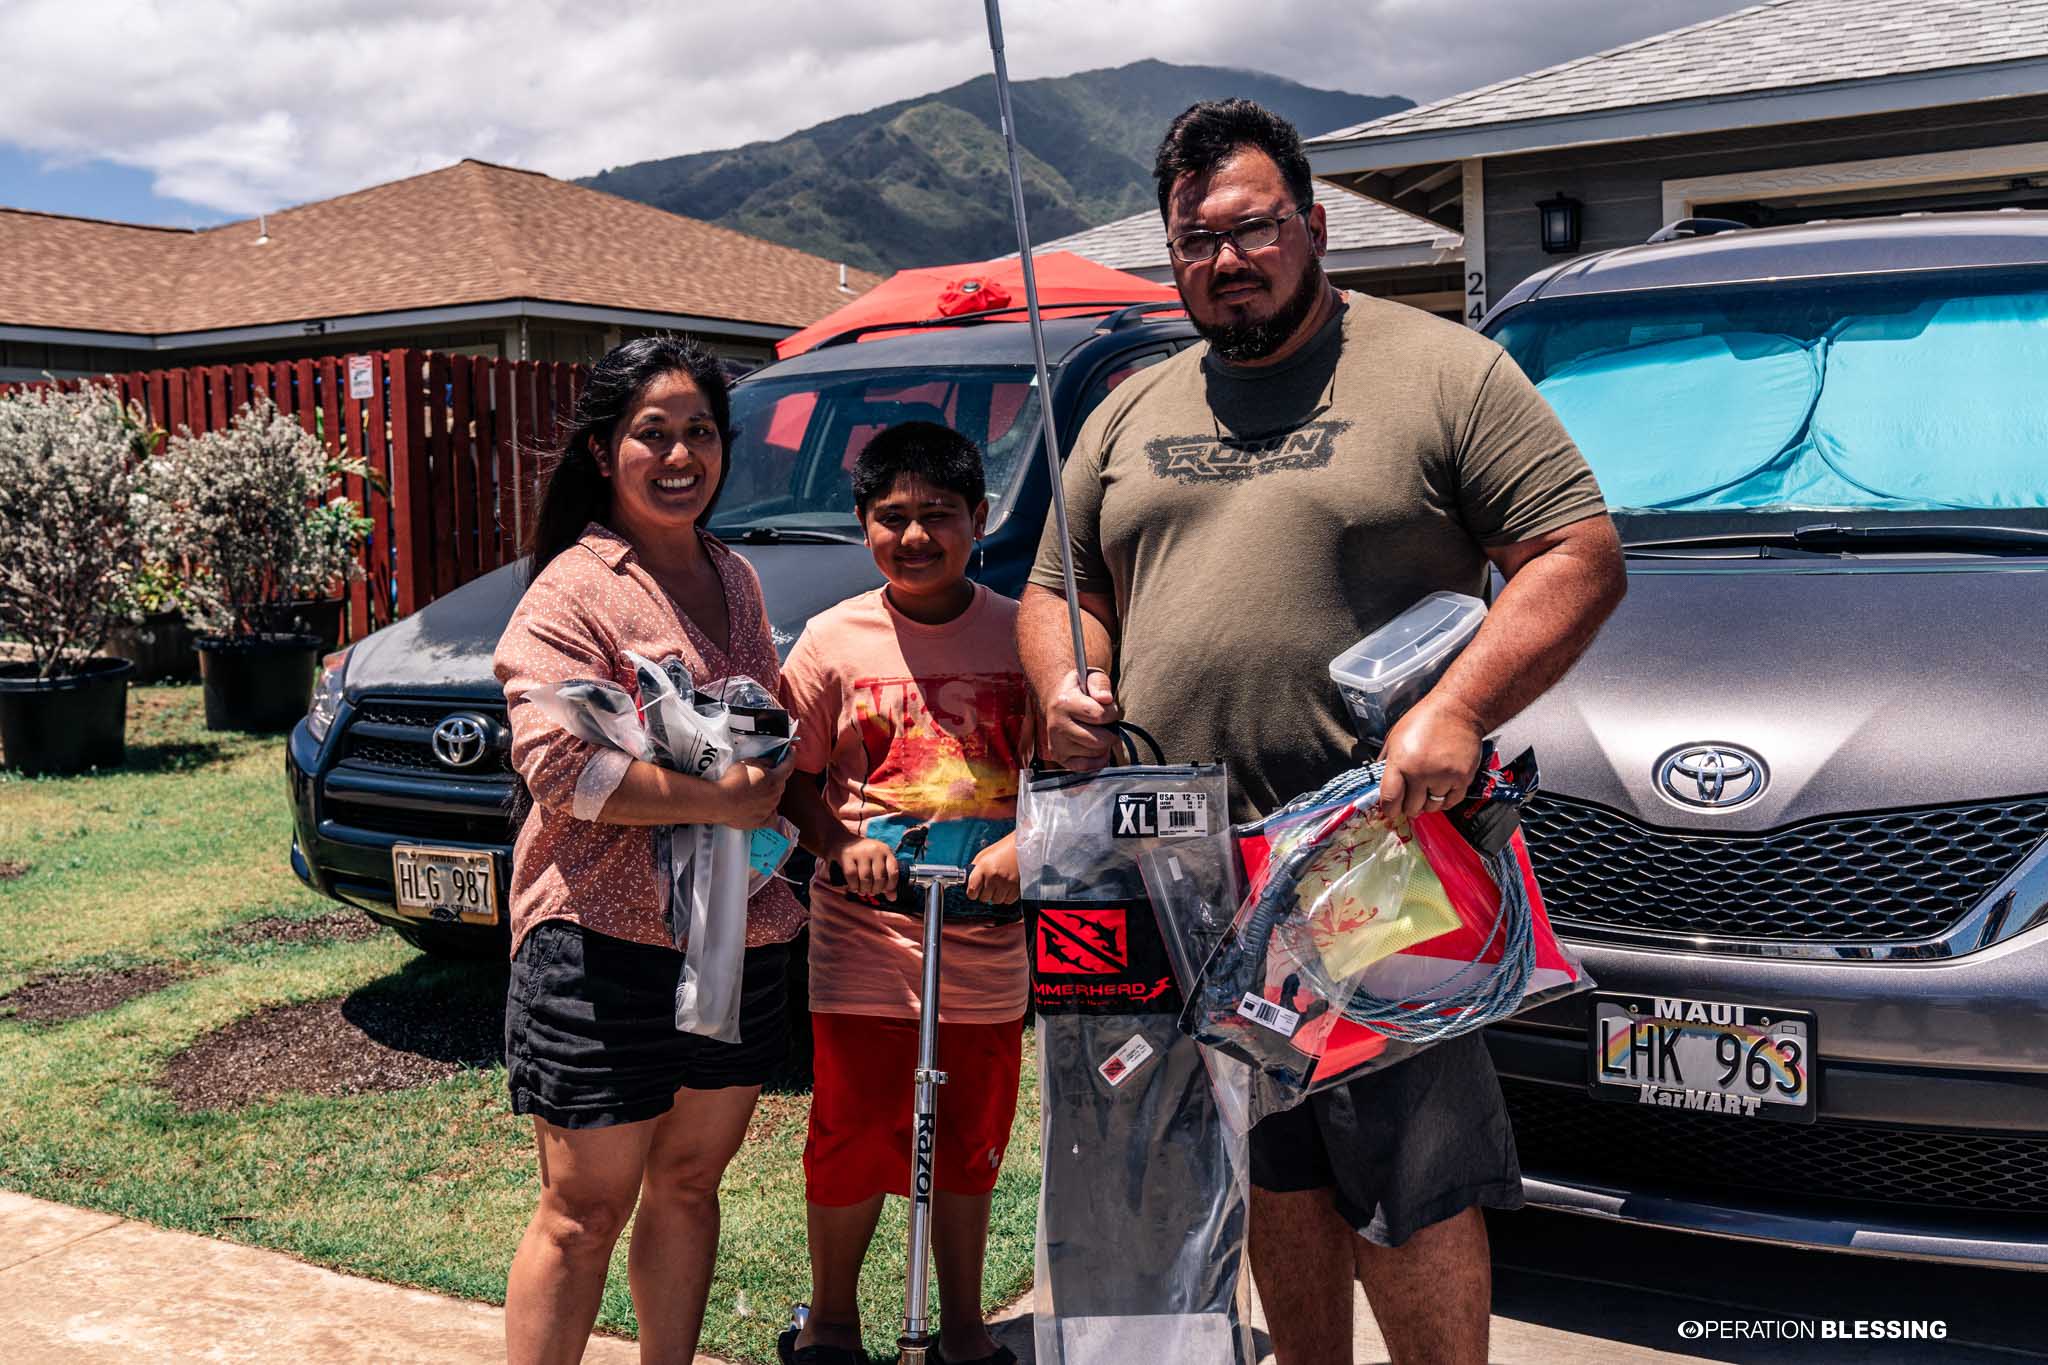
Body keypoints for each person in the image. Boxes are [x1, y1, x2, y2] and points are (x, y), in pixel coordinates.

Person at [1018, 100, 1626, 1365]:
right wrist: (1067, 679)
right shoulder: (1128, 406)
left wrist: (1455, 708)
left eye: (1251, 229)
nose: (1225, 261)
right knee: (1270, 1167)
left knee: (1406, 1179)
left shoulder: (1441, 370)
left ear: (1312, 226)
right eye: (1195, 241)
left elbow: (1575, 556)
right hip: (1182, 869)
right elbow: (1058, 588)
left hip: (1374, 856)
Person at [494, 336, 801, 1365]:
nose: (680, 456)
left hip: (738, 937)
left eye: (700, 432)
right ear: (602, 450)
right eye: (652, 434)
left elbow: (764, 715)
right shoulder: (570, 591)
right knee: (582, 1212)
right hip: (599, 941)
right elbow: (559, 768)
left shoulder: (735, 574)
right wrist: (719, 800)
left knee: (688, 1184)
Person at [774, 421, 1031, 1365]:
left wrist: (1022, 845)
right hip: (865, 942)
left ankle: (962, 1327)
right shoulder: (830, 639)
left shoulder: (1024, 634)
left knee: (969, 1137)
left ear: (981, 518)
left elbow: (1067, 778)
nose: (915, 535)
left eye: (939, 514)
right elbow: (790, 778)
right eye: (892, 516)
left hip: (986, 939)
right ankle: (832, 1321)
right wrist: (841, 842)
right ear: (863, 524)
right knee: (849, 1128)